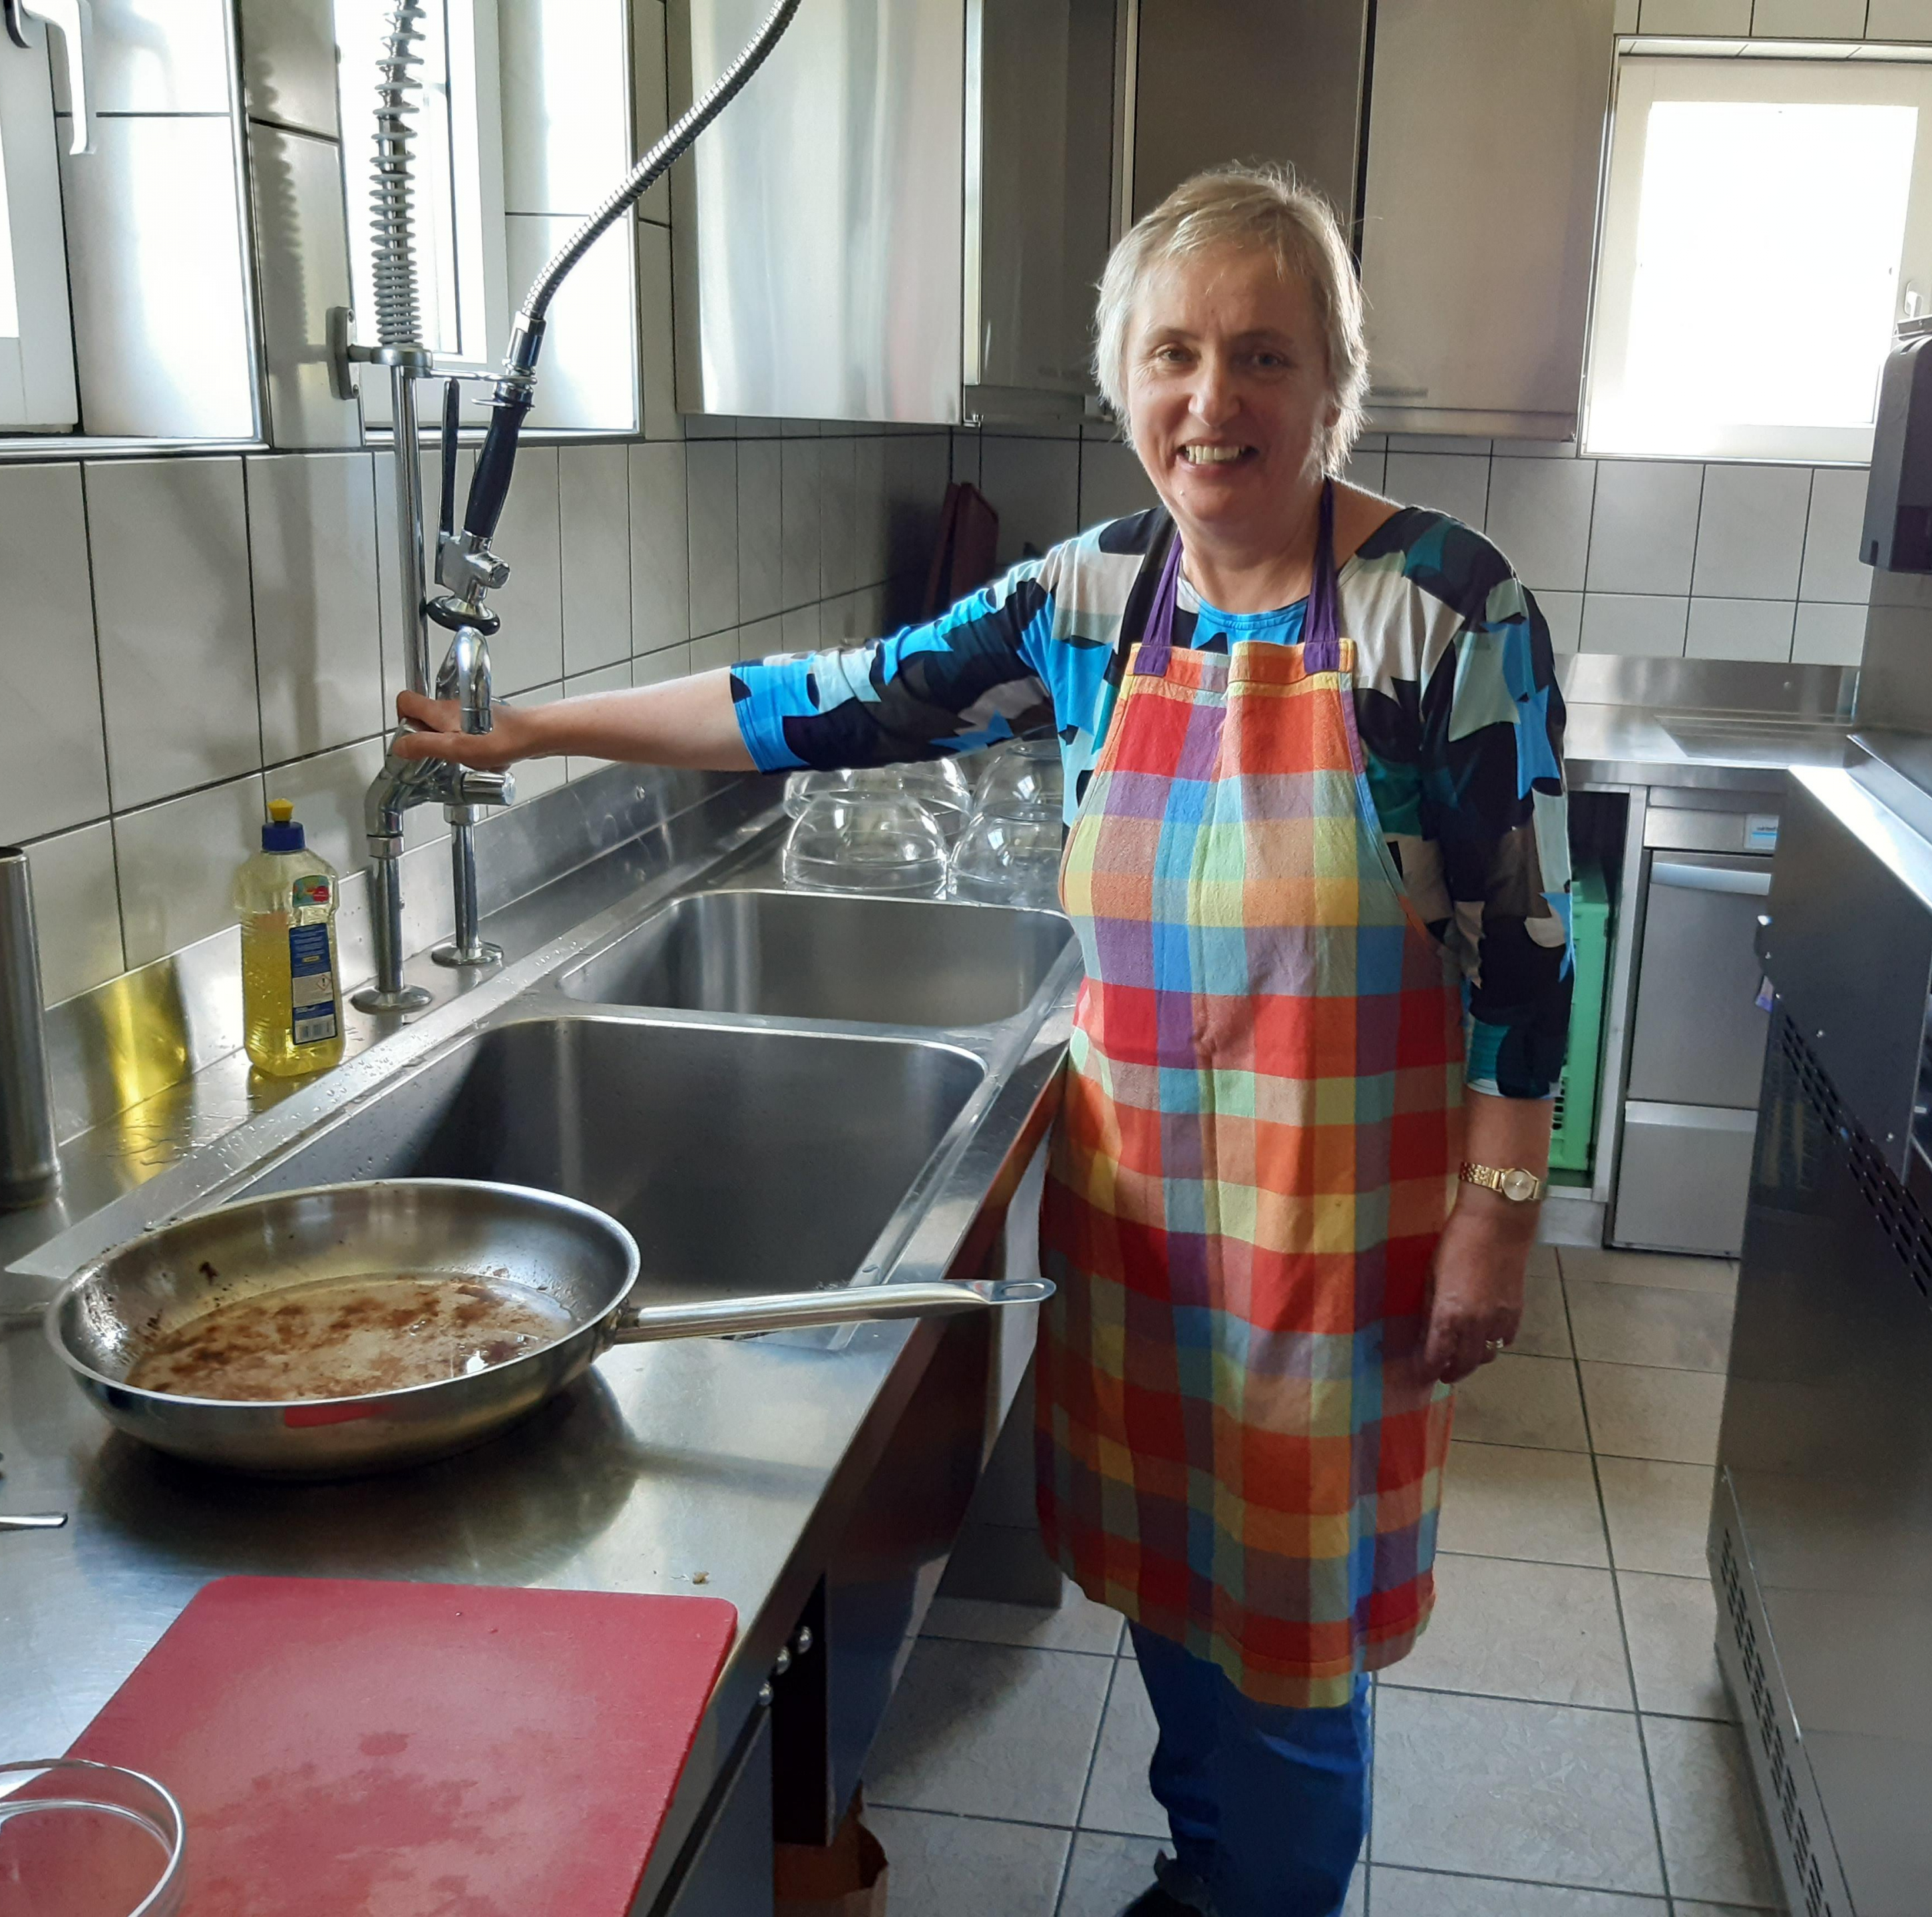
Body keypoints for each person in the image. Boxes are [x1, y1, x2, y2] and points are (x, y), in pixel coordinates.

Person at [397, 164, 1572, 1917]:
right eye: (1175, 353)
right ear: (1123, 383)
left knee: (1290, 1644)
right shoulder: (1091, 597)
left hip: (1336, 1241)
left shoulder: (1443, 610)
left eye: (1265, 353)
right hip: (1149, 1215)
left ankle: (1265, 1896)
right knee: (1180, 1596)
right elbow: (832, 704)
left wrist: (1497, 1214)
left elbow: (1526, 951)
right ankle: (1210, 1874)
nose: (1216, 398)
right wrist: (536, 730)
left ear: (1335, 383)